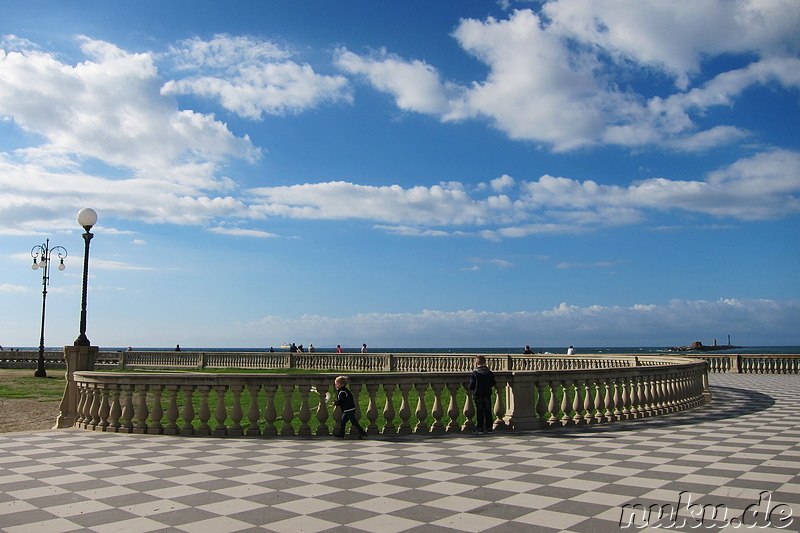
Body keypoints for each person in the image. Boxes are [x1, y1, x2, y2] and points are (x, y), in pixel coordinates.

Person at [468, 355, 496, 435]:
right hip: (487, 393)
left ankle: (480, 428)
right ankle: (489, 427)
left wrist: (471, 388)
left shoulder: (475, 373)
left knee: (480, 411)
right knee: (488, 410)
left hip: (478, 394)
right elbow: (493, 383)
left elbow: (472, 385)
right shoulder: (489, 373)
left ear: (476, 363)